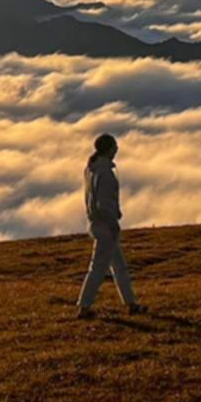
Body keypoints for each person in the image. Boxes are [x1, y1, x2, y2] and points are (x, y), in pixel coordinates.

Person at [77, 133, 142, 317]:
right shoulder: (105, 172)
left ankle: (131, 304)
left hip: (97, 223)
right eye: (115, 147)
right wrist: (113, 221)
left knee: (119, 266)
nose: (117, 150)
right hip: (106, 225)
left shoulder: (92, 169)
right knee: (99, 268)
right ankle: (84, 307)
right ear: (109, 149)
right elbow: (104, 202)